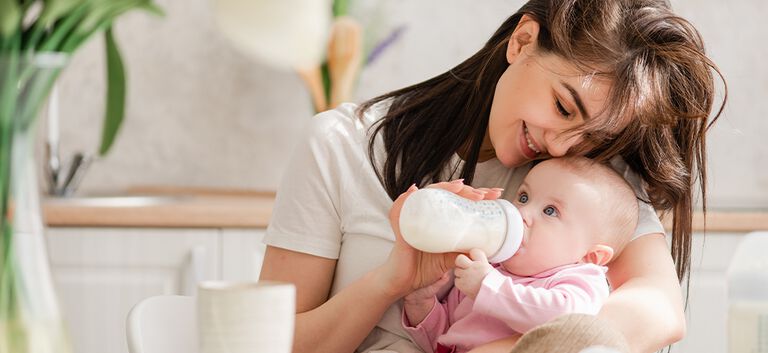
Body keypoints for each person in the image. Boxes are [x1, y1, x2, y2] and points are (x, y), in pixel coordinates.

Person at [259, 0, 726, 352]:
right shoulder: (340, 145)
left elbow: (659, 309)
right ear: (522, 42)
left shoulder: (587, 177)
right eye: (563, 106)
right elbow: (272, 342)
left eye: (588, 138)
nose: (561, 147)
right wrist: (390, 282)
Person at [402, 157, 639, 353]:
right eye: (524, 197)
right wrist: (421, 306)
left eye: (550, 211)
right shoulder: (489, 266)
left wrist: (488, 287)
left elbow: (566, 321)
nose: (522, 212)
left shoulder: (579, 277)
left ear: (591, 256)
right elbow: (446, 340)